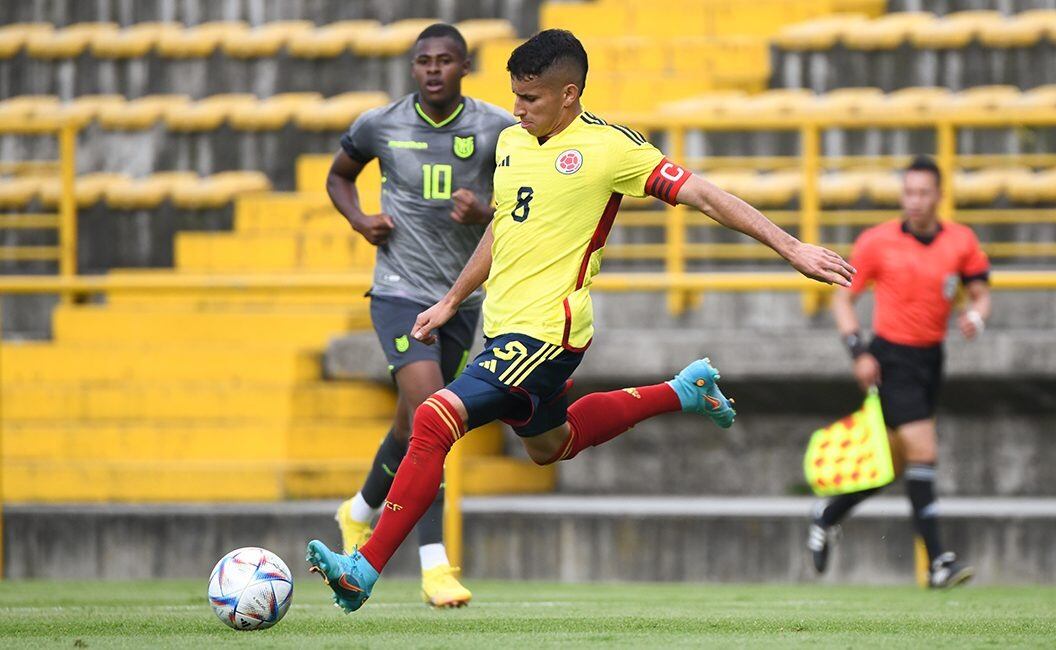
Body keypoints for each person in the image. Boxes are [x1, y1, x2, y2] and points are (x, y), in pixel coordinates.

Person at [307, 29, 855, 613]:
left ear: (569, 94)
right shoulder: (515, 144)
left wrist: (791, 248)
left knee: (434, 417)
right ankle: (681, 390)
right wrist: (449, 300)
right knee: (551, 442)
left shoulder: (612, 149)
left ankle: (363, 569)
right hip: (502, 326)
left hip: (547, 332)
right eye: (514, 96)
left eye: (532, 99)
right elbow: (504, 228)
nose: (517, 110)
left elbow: (708, 197)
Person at [325, 23, 514, 608]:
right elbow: (338, 175)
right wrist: (360, 220)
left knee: (413, 426)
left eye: (445, 60)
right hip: (400, 292)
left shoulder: (496, 130)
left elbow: (520, 205)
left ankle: (358, 511)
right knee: (435, 415)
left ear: (464, 66)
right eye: (423, 61)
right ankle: (434, 565)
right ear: (414, 69)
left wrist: (484, 211)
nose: (433, 69)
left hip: (461, 298)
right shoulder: (381, 124)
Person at [808, 155, 989, 589]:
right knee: (925, 452)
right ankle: (938, 563)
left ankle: (827, 515)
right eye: (909, 192)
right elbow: (842, 299)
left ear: (939, 196)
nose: (916, 201)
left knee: (889, 466)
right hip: (891, 358)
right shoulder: (877, 242)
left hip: (931, 359)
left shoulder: (961, 241)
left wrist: (976, 317)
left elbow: (979, 294)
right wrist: (859, 351)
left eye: (924, 192)